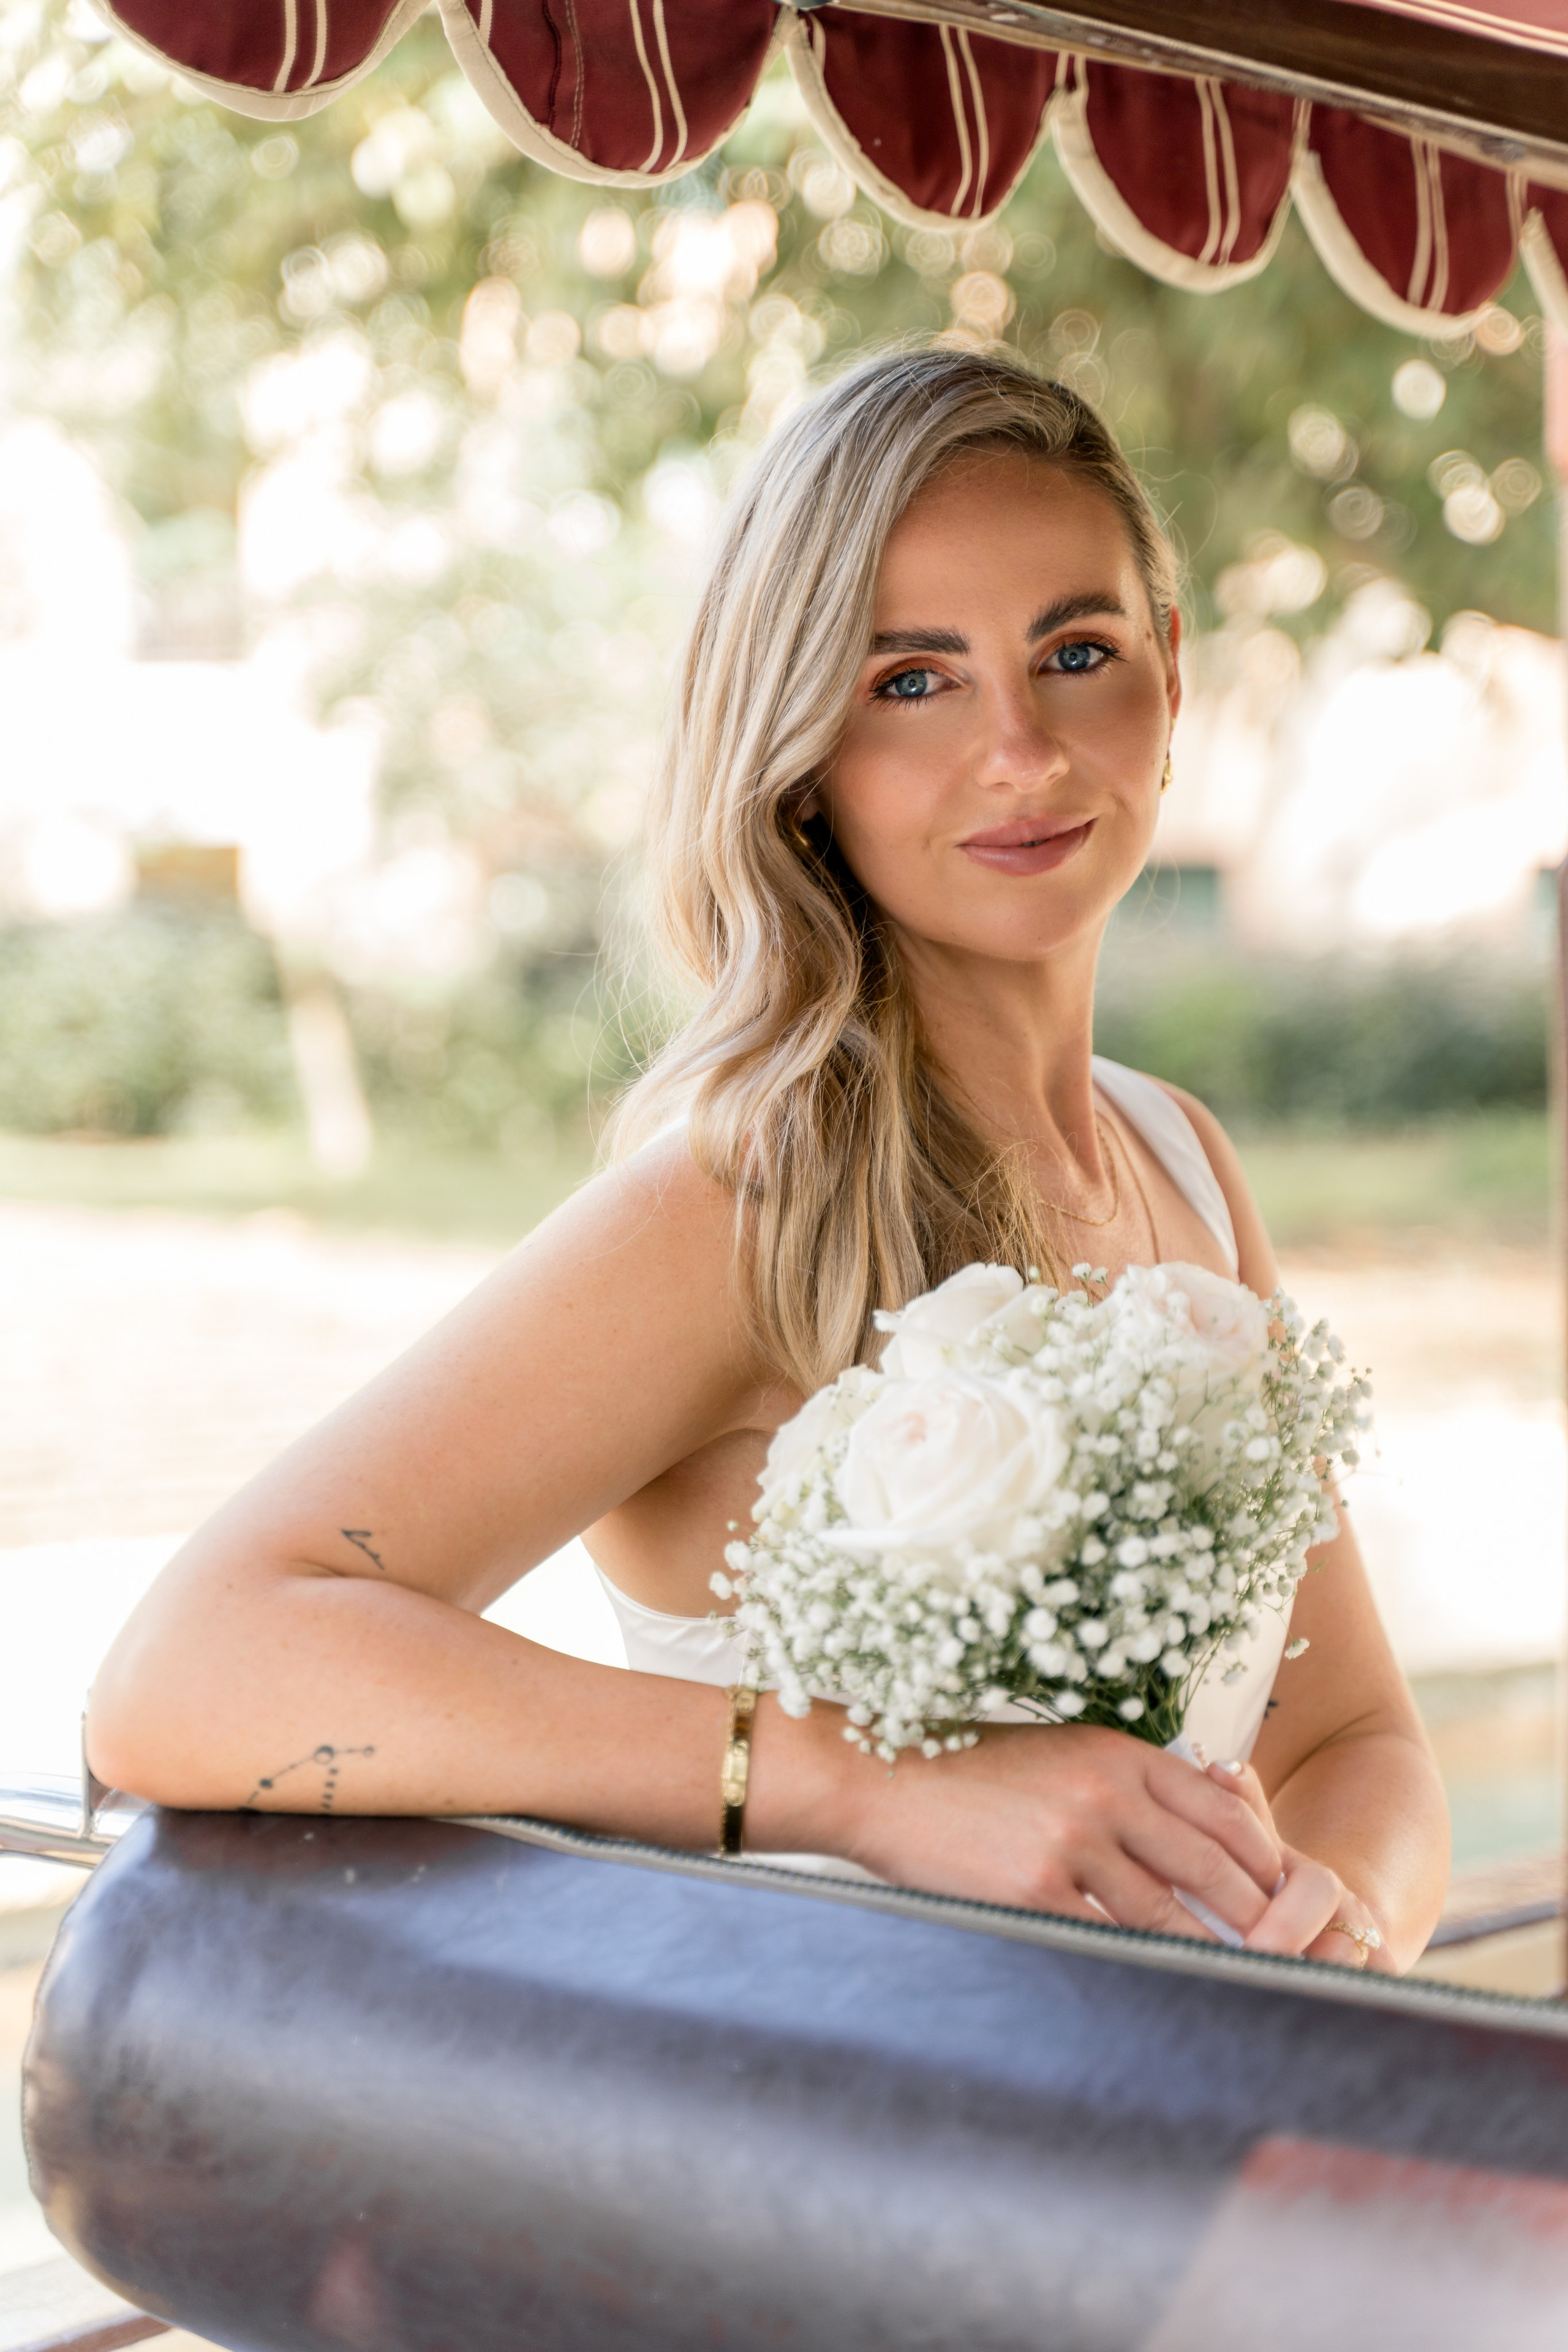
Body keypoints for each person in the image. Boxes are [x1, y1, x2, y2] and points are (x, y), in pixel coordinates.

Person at [88, 345, 1449, 1973]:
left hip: (1179, 2143)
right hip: (855, 2163)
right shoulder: (750, 1198)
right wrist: (851, 1784)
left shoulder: (1180, 1159)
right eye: (912, 680)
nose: (1020, 750)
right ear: (804, 745)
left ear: (1169, 669)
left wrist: (1340, 1932)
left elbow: (1351, 1743)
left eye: (1075, 653)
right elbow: (187, 1671)